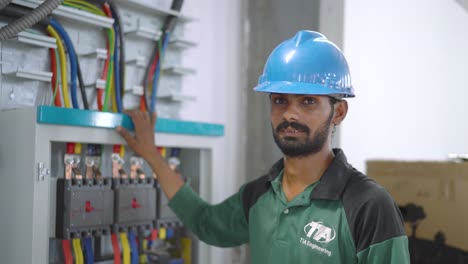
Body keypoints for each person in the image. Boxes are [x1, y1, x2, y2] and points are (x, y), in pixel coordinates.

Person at [116, 30, 410, 263]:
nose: (290, 114)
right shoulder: (259, 197)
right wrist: (152, 156)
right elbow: (205, 223)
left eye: (308, 101)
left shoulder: (368, 205)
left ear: (339, 112)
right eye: (280, 100)